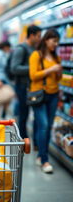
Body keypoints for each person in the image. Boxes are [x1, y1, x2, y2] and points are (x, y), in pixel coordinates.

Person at [29, 29, 62, 173]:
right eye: (54, 41)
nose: (56, 44)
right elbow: (33, 75)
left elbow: (58, 78)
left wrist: (59, 72)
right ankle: (44, 160)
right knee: (44, 125)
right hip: (39, 95)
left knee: (48, 127)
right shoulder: (37, 55)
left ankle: (41, 154)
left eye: (57, 42)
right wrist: (51, 69)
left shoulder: (56, 57)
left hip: (53, 95)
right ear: (47, 40)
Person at [10, 25, 42, 144]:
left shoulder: (34, 49)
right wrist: (33, 69)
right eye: (38, 36)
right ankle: (23, 140)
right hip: (23, 87)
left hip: (33, 87)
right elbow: (14, 68)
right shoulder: (21, 49)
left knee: (34, 114)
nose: (40, 38)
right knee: (24, 114)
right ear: (32, 35)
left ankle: (34, 142)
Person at [0, 41, 14, 119]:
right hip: (0, 79)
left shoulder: (1, 54)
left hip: (2, 79)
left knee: (3, 97)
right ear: (5, 47)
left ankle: (0, 117)